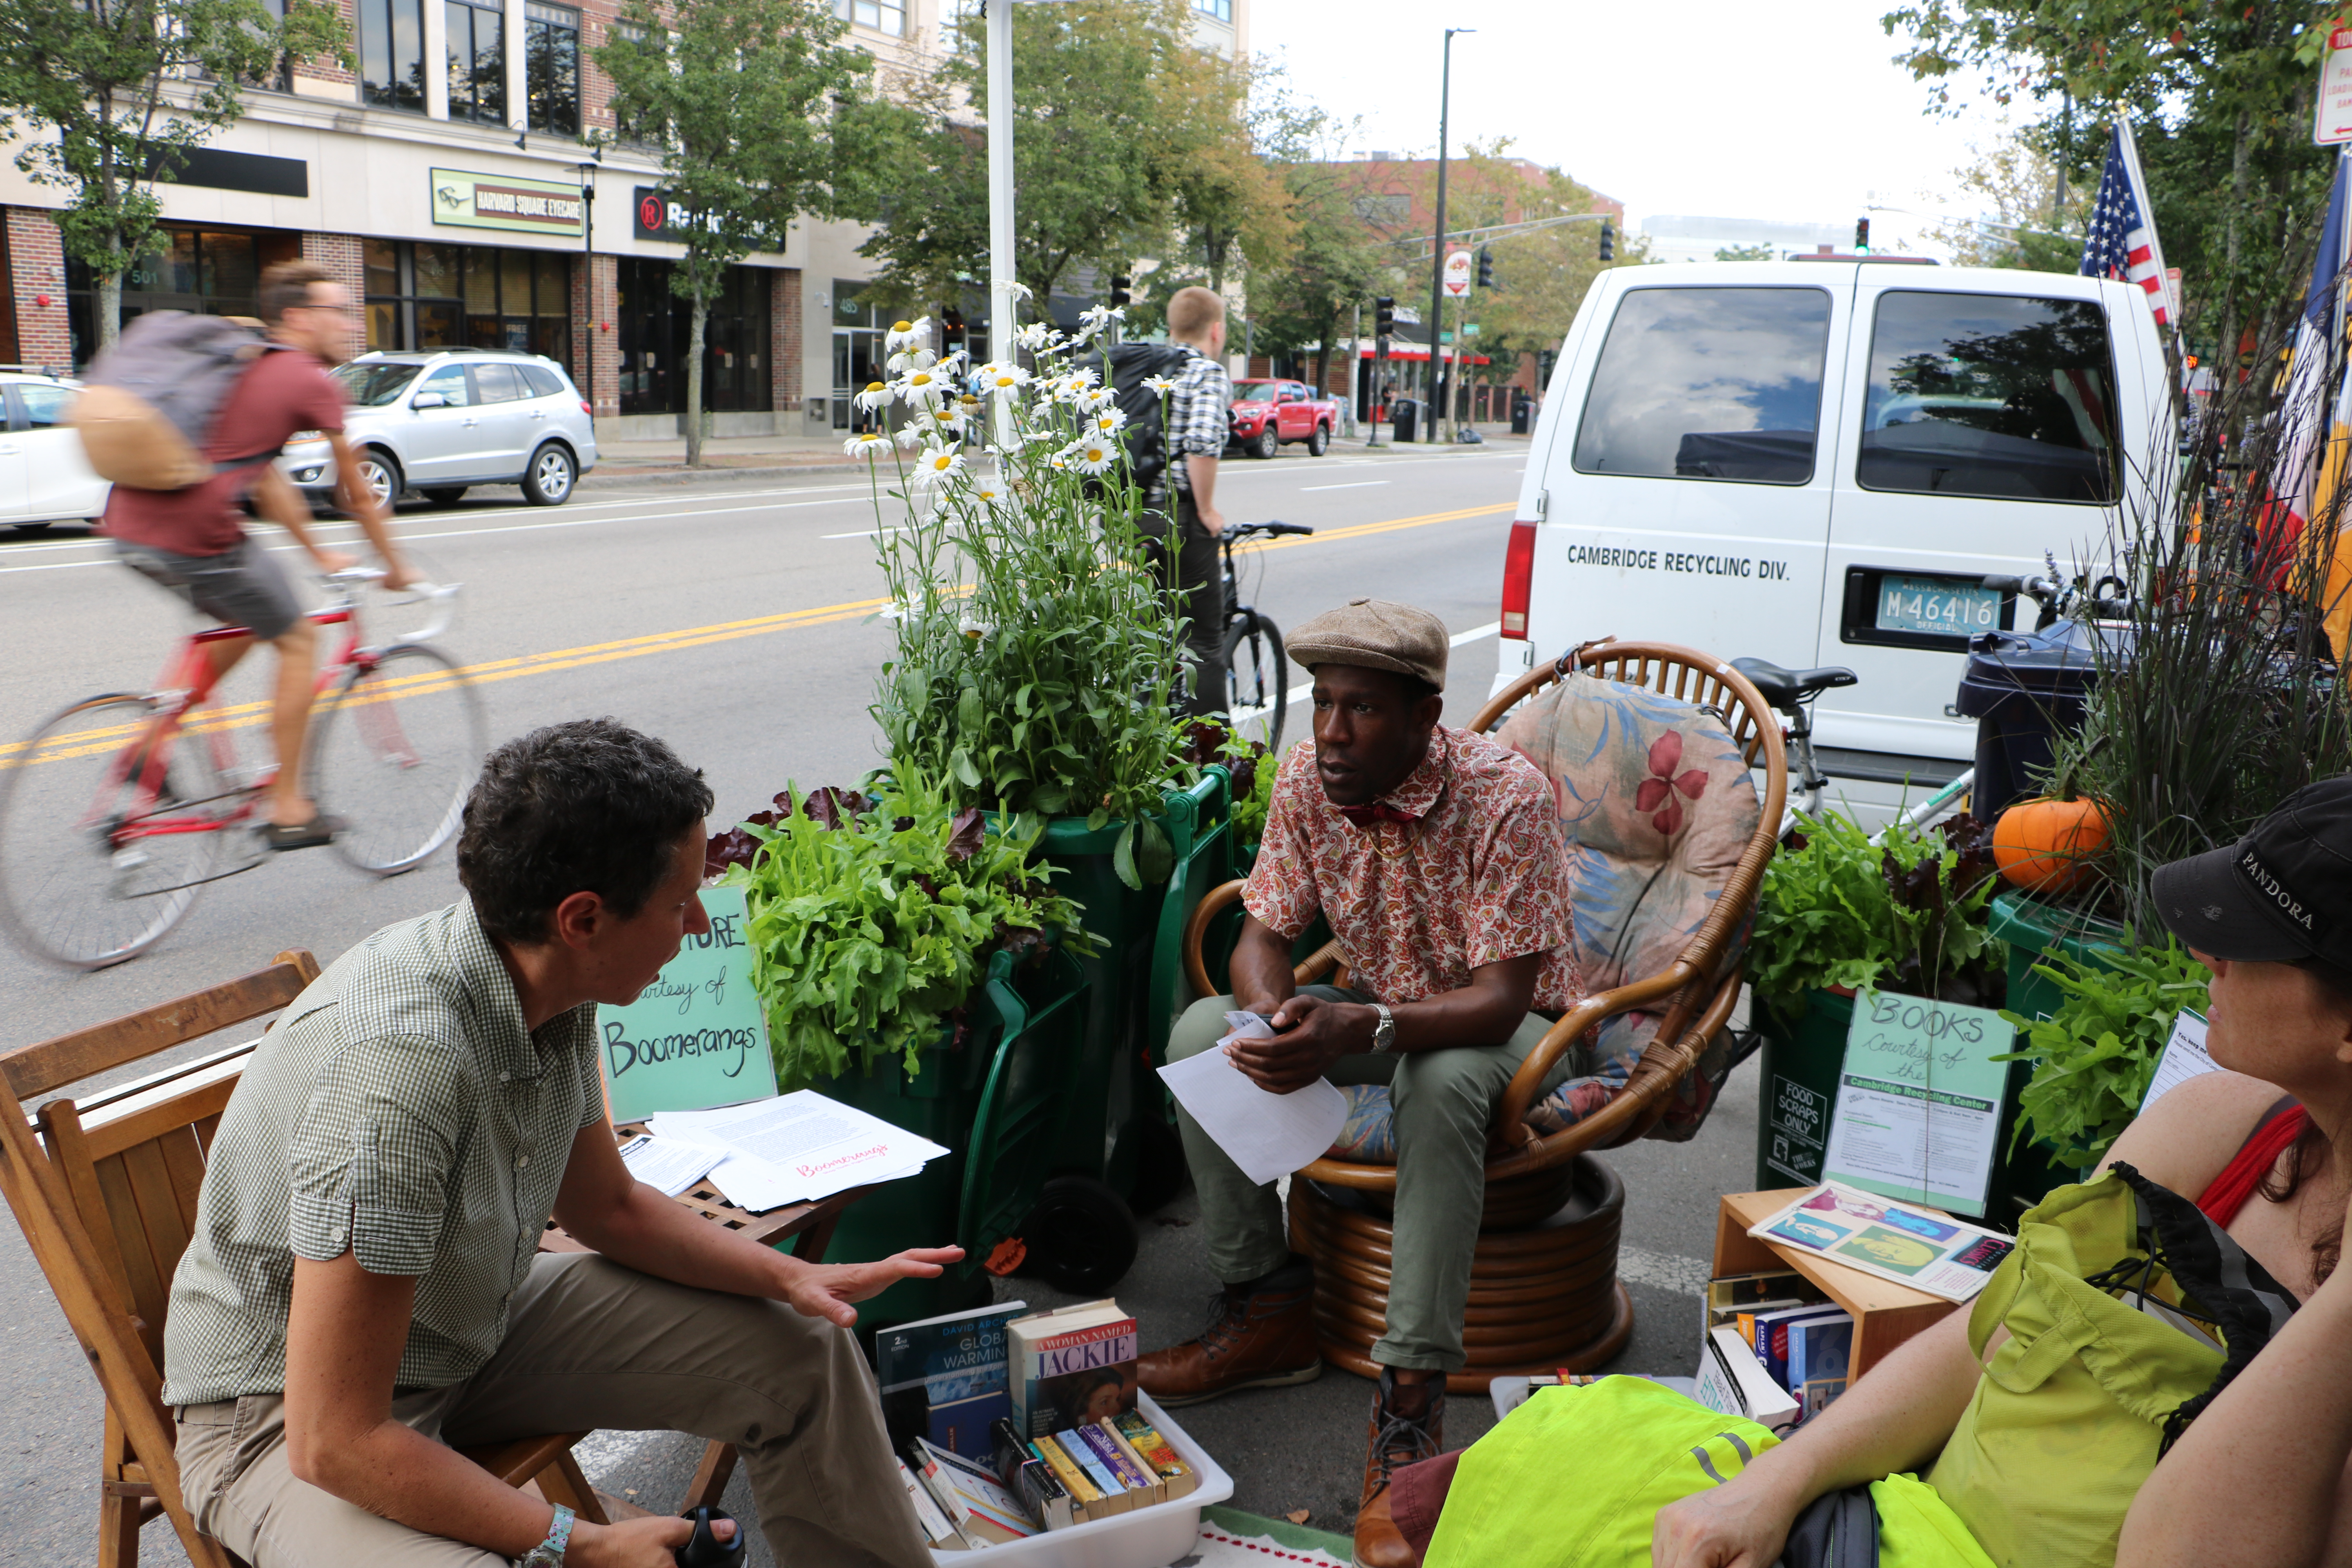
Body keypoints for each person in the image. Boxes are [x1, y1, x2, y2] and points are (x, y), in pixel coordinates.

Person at [163, 719, 959, 1568]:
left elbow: (610, 1208)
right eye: (679, 899)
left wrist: (792, 1275)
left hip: (468, 1322)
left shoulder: (550, 981)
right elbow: (336, 1439)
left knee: (807, 1352)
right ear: (583, 917)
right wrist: (575, 1541)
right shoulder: (398, 1076)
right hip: (288, 1414)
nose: (697, 923)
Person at [1654, 777, 2352, 1568]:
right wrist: (1777, 1479)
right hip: (1905, 1527)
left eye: (2249, 937)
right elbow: (1989, 1334)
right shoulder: (2221, 1124)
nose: (2204, 953)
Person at [1137, 597, 1584, 1568]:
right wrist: (1273, 1016)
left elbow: (1502, 1002)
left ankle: (1411, 1397)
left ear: (1426, 718)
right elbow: (1263, 936)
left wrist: (1364, 1020)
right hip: (1379, 1012)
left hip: (1516, 1032)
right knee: (1204, 1028)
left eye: (1362, 710)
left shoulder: (1504, 794)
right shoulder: (1307, 777)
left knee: (1444, 1075)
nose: (1331, 732)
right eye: (1322, 702)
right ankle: (1265, 1307)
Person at [105, 259, 415, 849]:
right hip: (192, 529)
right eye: (339, 311)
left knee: (245, 626)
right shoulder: (308, 381)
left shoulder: (241, 364)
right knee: (299, 638)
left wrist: (321, 555)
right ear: (297, 317)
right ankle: (289, 807)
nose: (351, 324)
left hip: (129, 524)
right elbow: (358, 492)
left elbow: (269, 483)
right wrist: (397, 567)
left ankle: (144, 752)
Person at [1141, 284, 1234, 717]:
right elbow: (1201, 442)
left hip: (1127, 517)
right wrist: (1206, 509)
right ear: (1216, 330)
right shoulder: (1205, 373)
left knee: (1149, 636)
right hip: (1175, 520)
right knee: (1201, 642)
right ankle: (1213, 764)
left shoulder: (1145, 366)